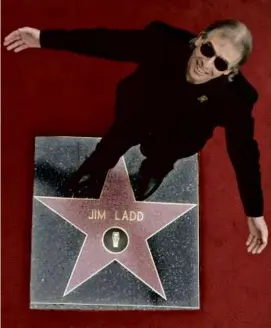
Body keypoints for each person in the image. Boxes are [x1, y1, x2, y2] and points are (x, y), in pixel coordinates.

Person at [4, 19, 268, 255]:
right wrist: (43, 38)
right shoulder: (163, 42)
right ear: (200, 39)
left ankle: (152, 172)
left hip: (181, 135)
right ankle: (92, 172)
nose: (206, 63)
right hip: (139, 110)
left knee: (161, 158)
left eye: (220, 63)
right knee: (113, 143)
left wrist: (254, 212)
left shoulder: (237, 98)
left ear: (229, 72)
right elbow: (107, 42)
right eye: (208, 50)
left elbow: (244, 152)